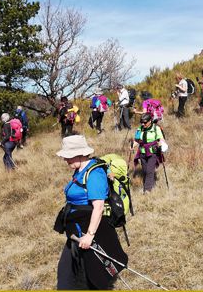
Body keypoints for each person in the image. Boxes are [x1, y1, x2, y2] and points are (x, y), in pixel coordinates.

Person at [54, 135, 128, 290]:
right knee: (66, 273)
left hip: (91, 232)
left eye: (68, 156)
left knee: (92, 275)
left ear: (80, 154)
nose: (65, 160)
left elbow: (98, 206)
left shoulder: (94, 175)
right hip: (76, 230)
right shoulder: (80, 169)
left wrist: (89, 235)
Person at [133, 113, 168, 192]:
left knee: (149, 171)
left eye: (145, 122)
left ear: (150, 121)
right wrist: (133, 146)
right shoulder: (139, 129)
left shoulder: (156, 128)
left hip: (153, 153)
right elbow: (137, 140)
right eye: (141, 122)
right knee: (145, 171)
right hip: (142, 153)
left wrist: (161, 144)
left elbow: (161, 139)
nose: (143, 124)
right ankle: (152, 183)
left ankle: (147, 190)